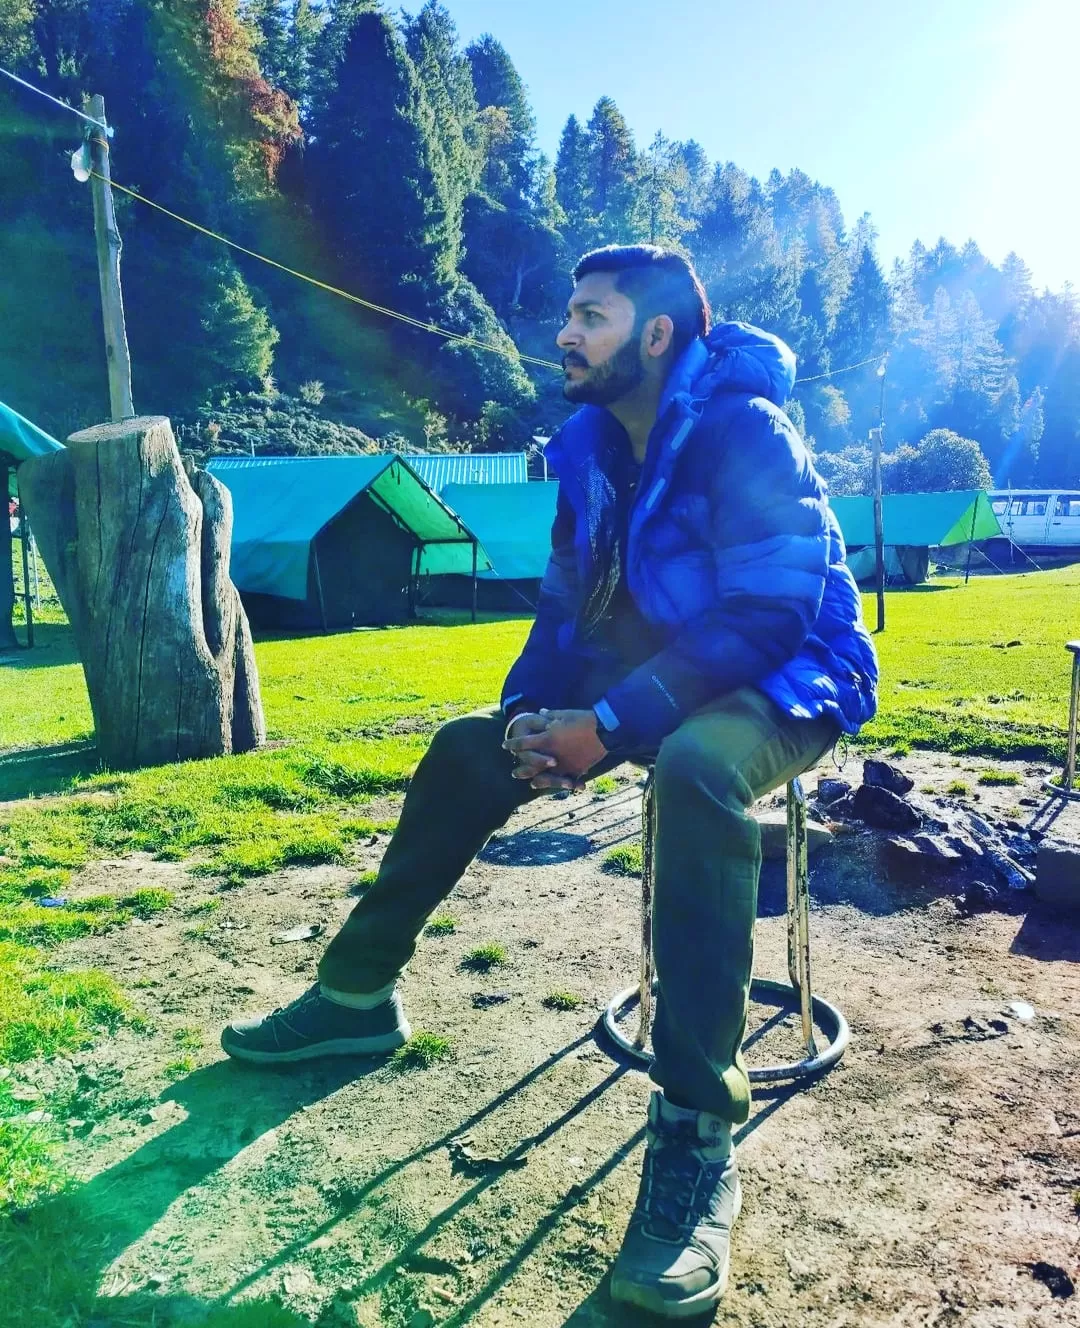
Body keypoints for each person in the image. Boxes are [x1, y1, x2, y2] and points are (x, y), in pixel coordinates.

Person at [222, 245, 878, 1319]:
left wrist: (613, 724)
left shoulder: (744, 431)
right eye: (568, 314)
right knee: (463, 747)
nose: (564, 335)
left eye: (592, 316)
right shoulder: (583, 443)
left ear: (657, 334)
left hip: (786, 670)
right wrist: (534, 717)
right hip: (652, 673)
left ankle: (697, 1133)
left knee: (700, 769)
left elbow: (773, 610)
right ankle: (351, 997)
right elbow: (568, 607)